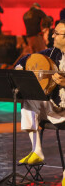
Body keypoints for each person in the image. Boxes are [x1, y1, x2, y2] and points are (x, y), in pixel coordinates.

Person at [16, 20, 65, 185]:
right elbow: (26, 59)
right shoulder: (52, 54)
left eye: (56, 33)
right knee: (29, 101)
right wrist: (20, 68)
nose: (53, 35)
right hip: (54, 106)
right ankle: (37, 151)